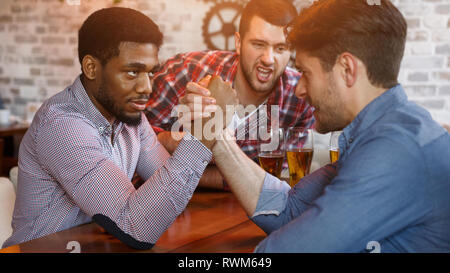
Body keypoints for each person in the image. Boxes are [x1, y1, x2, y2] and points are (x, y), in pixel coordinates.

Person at [184, 0, 450, 252]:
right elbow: (287, 210)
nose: (299, 89)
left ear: (347, 69)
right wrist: (216, 135)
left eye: (306, 73)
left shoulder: (395, 150)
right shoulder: (380, 133)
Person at [2, 7, 213, 249]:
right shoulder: (62, 125)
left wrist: (199, 120)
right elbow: (136, 227)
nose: (146, 87)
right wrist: (201, 134)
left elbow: (174, 195)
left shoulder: (130, 116)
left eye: (151, 72)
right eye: (132, 72)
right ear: (91, 68)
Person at [145, 0, 315, 190]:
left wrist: (190, 159)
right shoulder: (185, 71)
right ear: (239, 42)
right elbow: (133, 141)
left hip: (241, 214)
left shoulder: (300, 99)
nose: (268, 59)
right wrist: (178, 140)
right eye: (258, 44)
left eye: (280, 48)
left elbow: (272, 179)